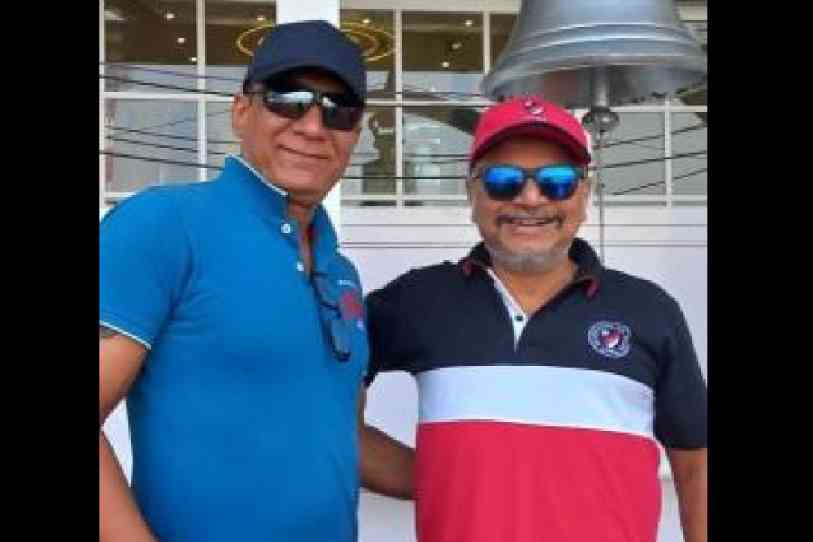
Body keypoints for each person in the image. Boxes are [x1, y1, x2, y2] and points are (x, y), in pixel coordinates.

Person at [100, 20, 409, 542]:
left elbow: (342, 437)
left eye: (339, 110)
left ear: (355, 134)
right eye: (288, 99)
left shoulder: (342, 275)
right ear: (242, 110)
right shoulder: (164, 226)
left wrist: (482, 474)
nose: (313, 126)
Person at [364, 96, 708, 542]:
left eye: (557, 182)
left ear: (584, 194)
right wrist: (440, 477)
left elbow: (696, 462)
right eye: (504, 181)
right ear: (472, 193)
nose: (530, 199)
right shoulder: (418, 301)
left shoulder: (649, 311)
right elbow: (319, 409)